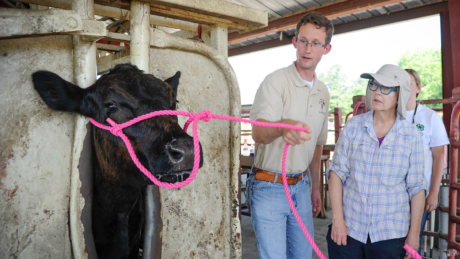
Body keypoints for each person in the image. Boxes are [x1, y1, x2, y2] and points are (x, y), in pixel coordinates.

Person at [246, 11, 333, 259]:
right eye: (303, 40)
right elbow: (258, 133)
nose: (307, 48)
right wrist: (282, 126)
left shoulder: (322, 92)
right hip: (269, 185)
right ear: (295, 42)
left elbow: (317, 144)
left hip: (302, 187)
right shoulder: (275, 82)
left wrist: (316, 187)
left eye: (315, 43)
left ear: (326, 49)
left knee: (303, 256)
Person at [326, 64, 427, 259]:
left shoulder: (411, 135)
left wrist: (414, 235)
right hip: (349, 229)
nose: (377, 92)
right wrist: (338, 219)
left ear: (400, 96)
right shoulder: (354, 126)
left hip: (390, 234)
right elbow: (337, 173)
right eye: (374, 84)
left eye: (386, 88)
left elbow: (416, 187)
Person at [404, 68, 450, 254]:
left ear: (418, 88)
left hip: (418, 191)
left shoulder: (430, 117)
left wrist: (433, 192)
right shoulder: (387, 115)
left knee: (413, 239)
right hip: (390, 193)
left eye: (409, 84)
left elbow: (439, 156)